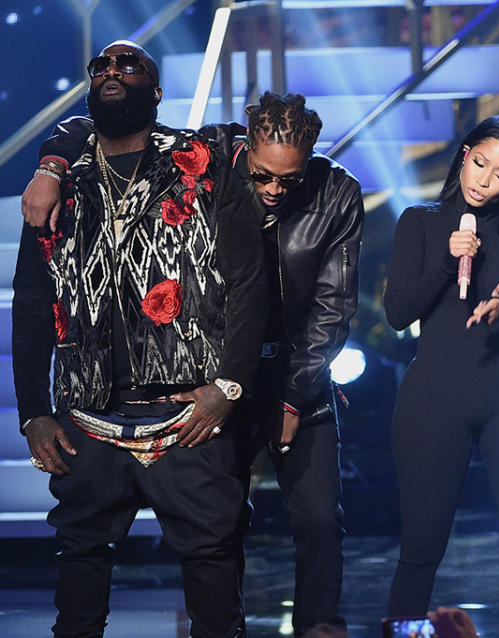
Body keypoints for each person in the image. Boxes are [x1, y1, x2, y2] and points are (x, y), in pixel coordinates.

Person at [22, 92, 364, 637]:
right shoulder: (204, 153)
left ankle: (318, 630)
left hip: (291, 376)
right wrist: (49, 168)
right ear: (245, 149)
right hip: (217, 374)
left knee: (320, 521)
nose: (274, 191)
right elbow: (102, 123)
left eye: (289, 181)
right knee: (218, 533)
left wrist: (294, 396)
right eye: (263, 176)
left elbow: (332, 308)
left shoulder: (337, 193)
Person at [12, 41, 267, 637]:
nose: (110, 73)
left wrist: (229, 386)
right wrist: (31, 413)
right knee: (79, 569)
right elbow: (30, 302)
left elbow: (250, 279)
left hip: (187, 407)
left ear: (155, 91)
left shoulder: (201, 161)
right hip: (86, 412)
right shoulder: (60, 183)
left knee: (211, 563)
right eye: (100, 67)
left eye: (129, 67)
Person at [383, 115, 499, 637]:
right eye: (480, 163)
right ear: (464, 154)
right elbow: (398, 312)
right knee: (420, 549)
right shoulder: (419, 222)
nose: (484, 181)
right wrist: (447, 265)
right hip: (432, 402)